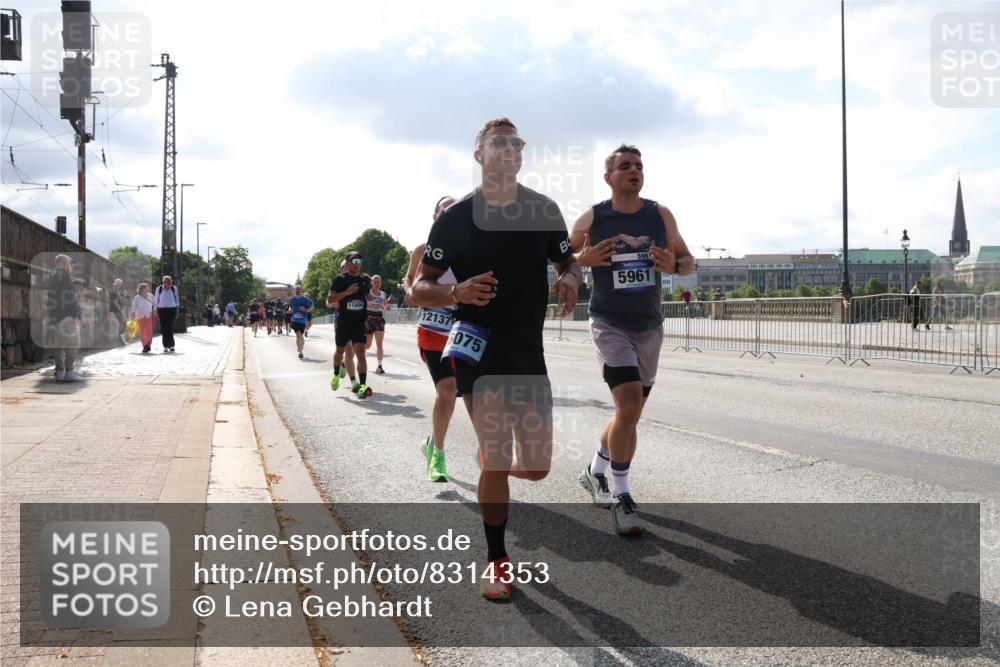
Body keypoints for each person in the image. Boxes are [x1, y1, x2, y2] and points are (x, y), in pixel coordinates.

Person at [412, 117, 581, 600]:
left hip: (526, 347)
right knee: (498, 448)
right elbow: (420, 286)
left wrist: (570, 279)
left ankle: (492, 464)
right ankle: (497, 561)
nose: (509, 149)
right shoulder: (455, 218)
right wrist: (457, 291)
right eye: (499, 142)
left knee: (538, 467)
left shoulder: (542, 209)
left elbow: (567, 260)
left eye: (516, 143)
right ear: (479, 154)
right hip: (476, 341)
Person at [571, 143, 694, 535]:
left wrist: (674, 265)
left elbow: (688, 261)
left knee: (629, 414)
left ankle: (595, 469)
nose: (634, 170)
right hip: (609, 323)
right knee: (626, 405)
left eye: (639, 165)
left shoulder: (660, 214)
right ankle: (622, 493)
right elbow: (559, 258)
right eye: (625, 166)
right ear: (609, 178)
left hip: (649, 325)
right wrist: (580, 261)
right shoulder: (593, 218)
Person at [403, 195, 458, 483]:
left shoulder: (469, 251)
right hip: (433, 329)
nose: (451, 216)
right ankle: (437, 453)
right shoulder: (422, 250)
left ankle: (431, 441)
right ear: (435, 216)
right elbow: (409, 279)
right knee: (447, 391)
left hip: (464, 331)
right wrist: (412, 290)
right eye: (445, 211)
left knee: (472, 394)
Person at [328, 251, 373, 398]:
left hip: (359, 322)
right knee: (340, 351)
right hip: (344, 322)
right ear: (347, 263)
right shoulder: (340, 280)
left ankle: (363, 386)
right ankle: (336, 374)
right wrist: (347, 292)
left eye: (359, 262)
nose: (357, 264)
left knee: (361, 353)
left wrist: (370, 295)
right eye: (354, 261)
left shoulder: (364, 279)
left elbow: (368, 295)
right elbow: (330, 299)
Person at [45, 254, 84, 381]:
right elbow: (69, 297)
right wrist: (77, 314)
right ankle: (69, 372)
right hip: (67, 316)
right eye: (70, 262)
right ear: (62, 262)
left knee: (58, 345)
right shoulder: (64, 275)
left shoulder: (52, 276)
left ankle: (60, 371)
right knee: (74, 343)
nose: (72, 265)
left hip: (55, 316)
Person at [365, 275, 389, 374]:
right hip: (369, 319)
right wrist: (371, 305)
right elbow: (364, 304)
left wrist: (385, 306)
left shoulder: (383, 294)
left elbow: (385, 305)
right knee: (367, 345)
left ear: (381, 283)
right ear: (371, 283)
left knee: (379, 344)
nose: (377, 284)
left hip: (379, 319)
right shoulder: (368, 293)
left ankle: (379, 366)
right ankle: (358, 355)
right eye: (375, 282)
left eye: (378, 282)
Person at [153, 276, 180, 352]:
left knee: (170, 327)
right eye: (166, 282)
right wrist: (156, 310)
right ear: (163, 282)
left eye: (169, 282)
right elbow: (156, 300)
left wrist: (177, 310)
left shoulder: (174, 288)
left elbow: (177, 299)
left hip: (172, 309)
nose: (168, 284)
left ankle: (171, 345)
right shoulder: (159, 289)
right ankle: (165, 346)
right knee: (164, 328)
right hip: (162, 310)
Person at [288, 285, 314, 359]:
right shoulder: (292, 299)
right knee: (298, 335)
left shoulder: (305, 299)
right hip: (294, 319)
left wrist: (305, 310)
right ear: (294, 290)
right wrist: (290, 309)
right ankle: (300, 351)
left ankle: (301, 346)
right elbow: (290, 306)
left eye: (299, 289)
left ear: (301, 290)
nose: (298, 291)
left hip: (302, 320)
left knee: (301, 336)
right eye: (296, 289)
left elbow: (310, 308)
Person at [132, 283, 156, 353]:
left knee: (149, 332)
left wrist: (154, 310)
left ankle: (148, 345)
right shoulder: (137, 297)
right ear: (141, 289)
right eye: (144, 288)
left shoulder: (150, 296)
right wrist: (133, 315)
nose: (146, 289)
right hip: (140, 316)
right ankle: (145, 345)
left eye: (147, 288)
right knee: (143, 332)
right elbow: (134, 307)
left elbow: (155, 304)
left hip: (149, 316)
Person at [109, 278, 128, 345]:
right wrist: (120, 310)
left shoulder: (117, 291)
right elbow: (115, 302)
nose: (121, 285)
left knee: (124, 322)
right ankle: (120, 338)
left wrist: (124, 296)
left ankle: (120, 338)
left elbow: (119, 299)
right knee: (123, 322)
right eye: (120, 284)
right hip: (117, 309)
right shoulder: (114, 291)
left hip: (119, 309)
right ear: (118, 284)